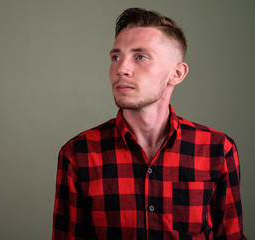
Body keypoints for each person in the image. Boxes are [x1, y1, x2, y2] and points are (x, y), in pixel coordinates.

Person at [52, 7, 246, 240]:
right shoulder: (78, 154)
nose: (121, 69)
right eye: (116, 57)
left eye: (140, 57)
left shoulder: (217, 149)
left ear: (177, 73)